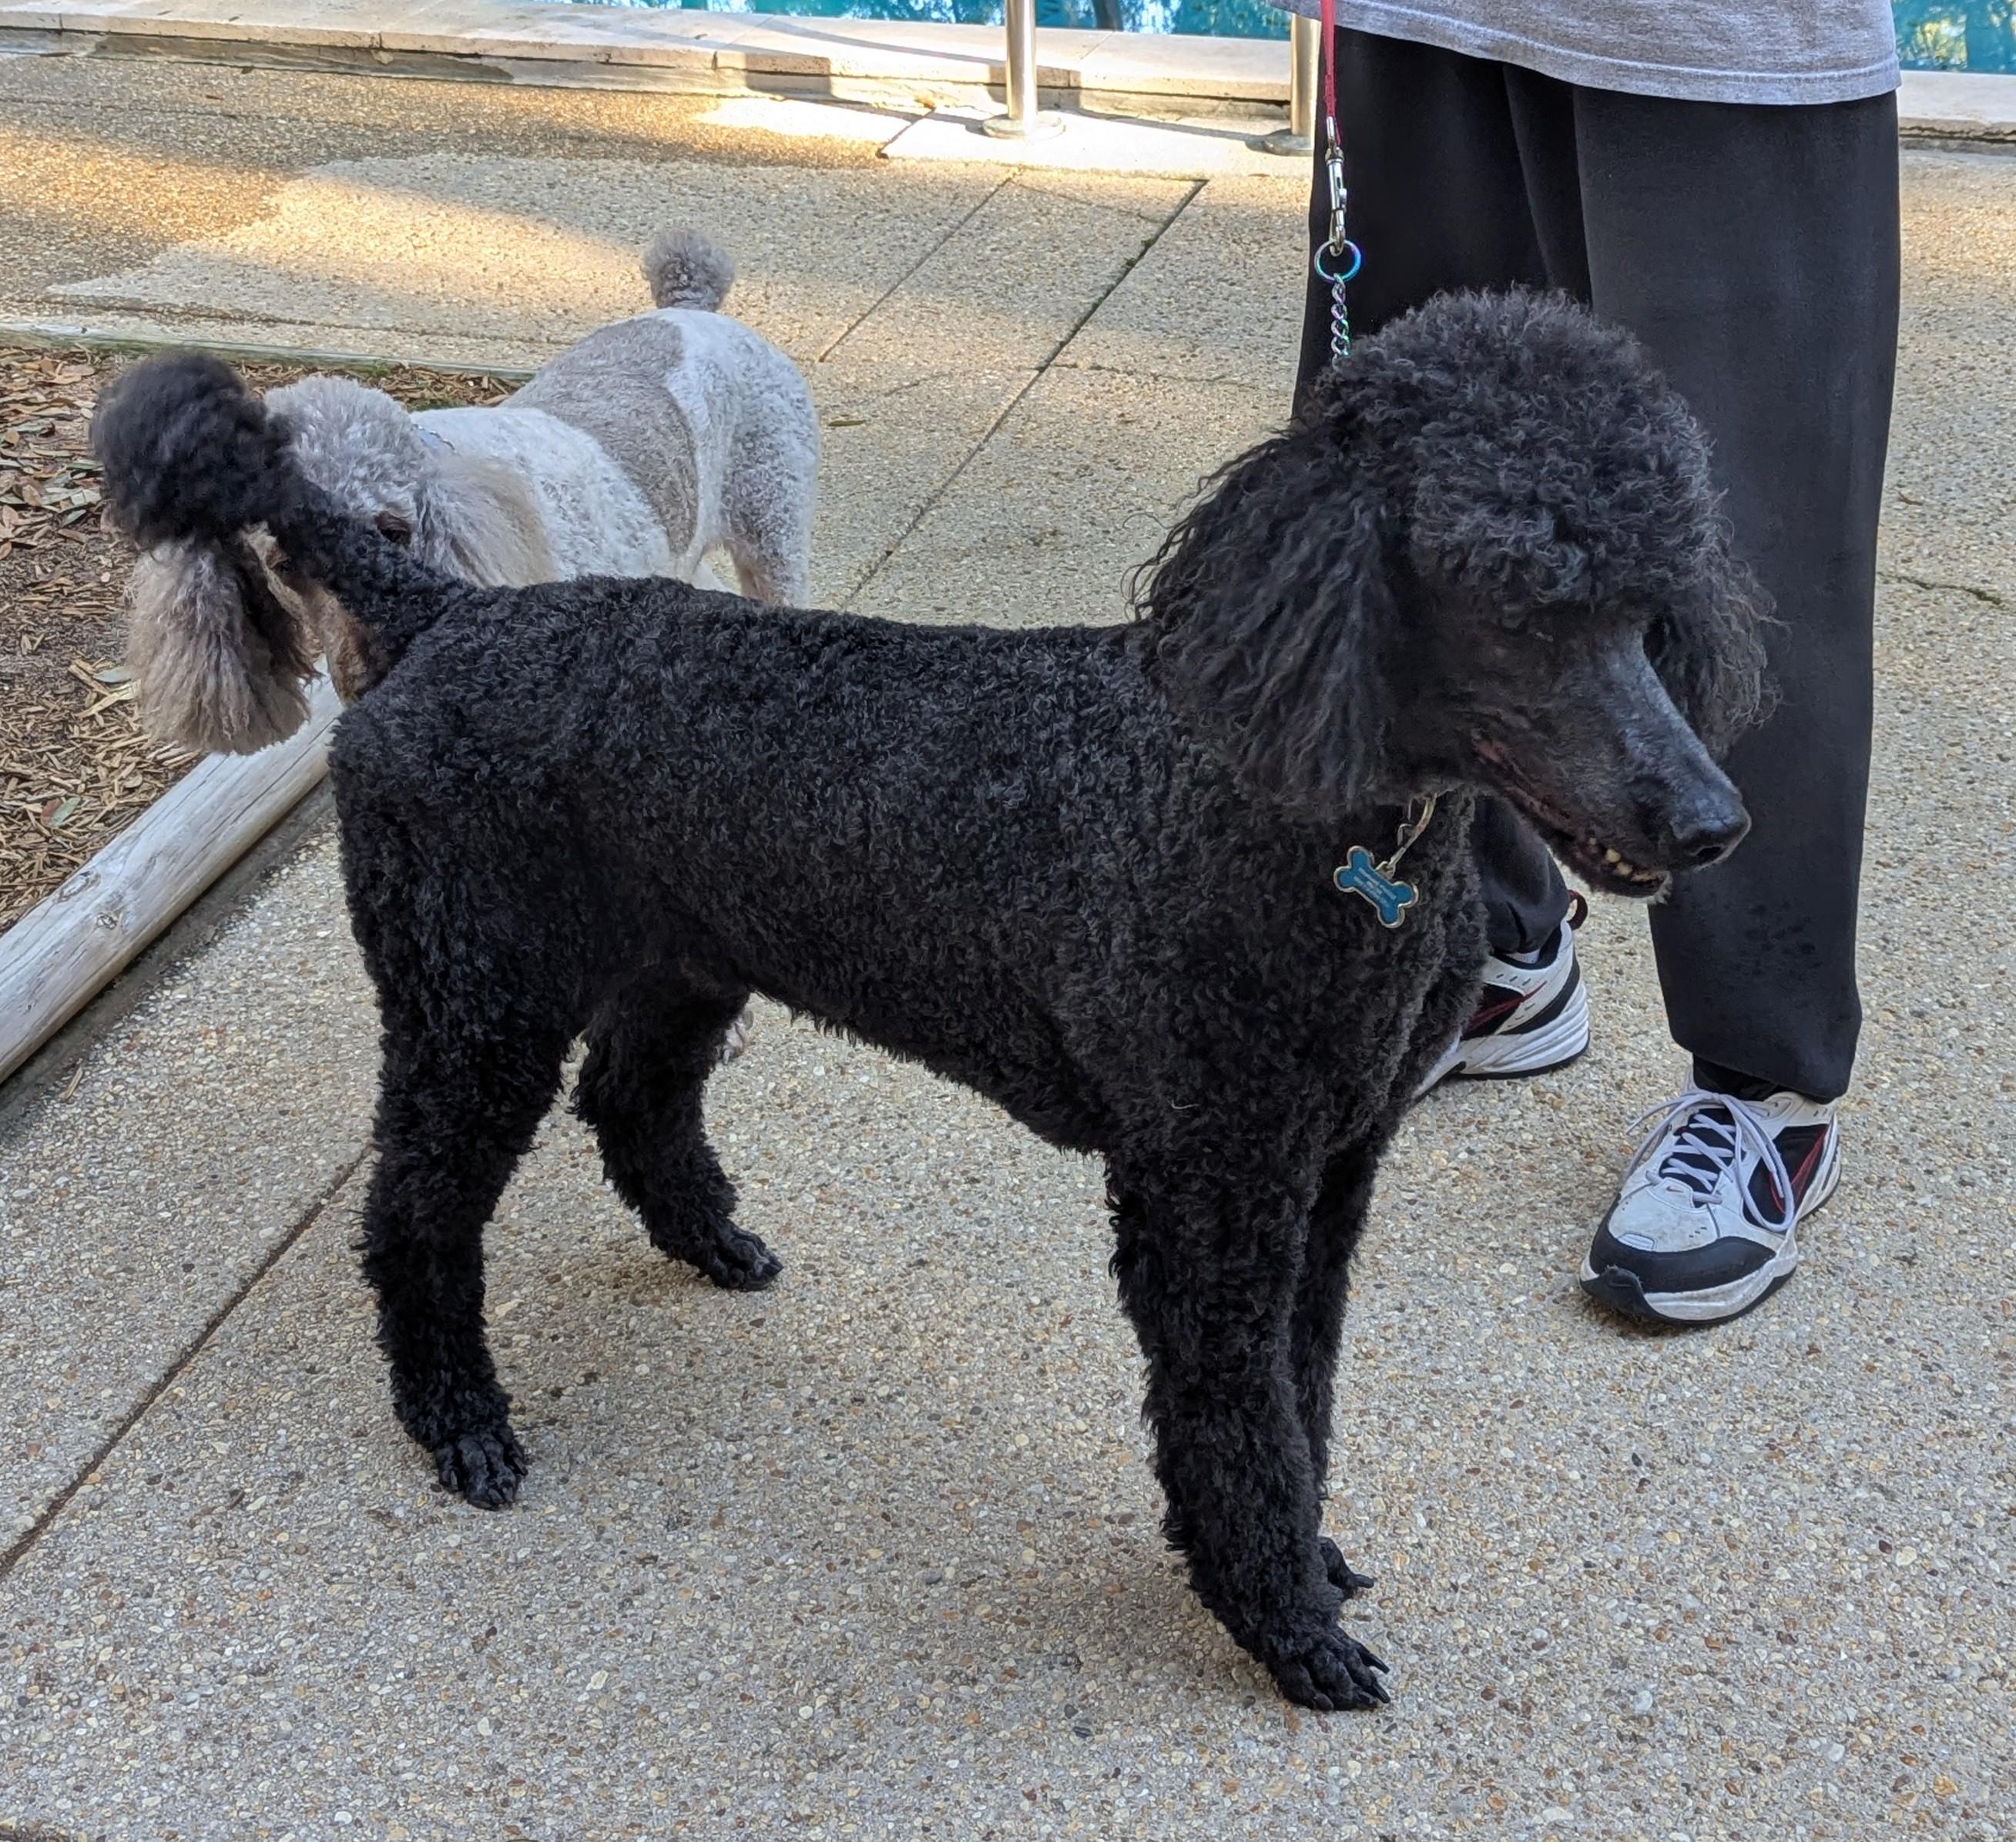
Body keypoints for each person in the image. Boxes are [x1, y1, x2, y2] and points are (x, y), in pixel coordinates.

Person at [1285, 2, 1901, 1324]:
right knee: (1400, 495)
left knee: (1738, 553)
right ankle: (1498, 951)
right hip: (1427, 20)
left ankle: (1762, 1088)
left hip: (1716, 36)